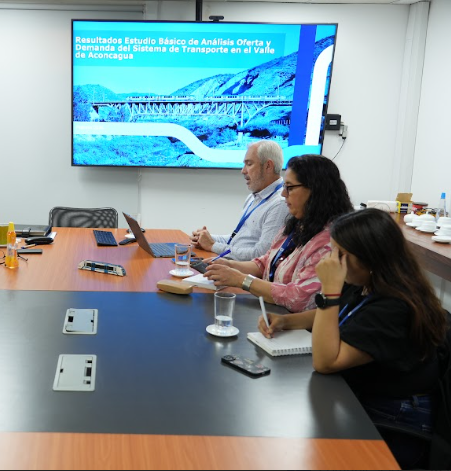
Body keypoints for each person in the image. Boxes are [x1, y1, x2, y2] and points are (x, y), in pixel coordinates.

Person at [258, 209, 449, 469]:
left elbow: (326, 362)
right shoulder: (366, 281)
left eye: (340, 254)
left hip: (392, 418)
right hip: (360, 396)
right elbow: (336, 315)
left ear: (370, 256)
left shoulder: (394, 307)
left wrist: (329, 290)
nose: (332, 261)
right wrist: (286, 321)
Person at [204, 154, 353, 312]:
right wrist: (230, 265)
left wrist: (241, 280)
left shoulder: (328, 241)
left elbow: (298, 298)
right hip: (271, 311)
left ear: (315, 189)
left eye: (290, 188)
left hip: (294, 322)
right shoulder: (297, 223)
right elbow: (266, 262)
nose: (283, 194)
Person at [191, 140, 289, 261]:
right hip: (231, 264)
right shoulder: (254, 196)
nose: (243, 171)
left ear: (268, 166)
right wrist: (206, 238)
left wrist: (212, 245)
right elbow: (237, 240)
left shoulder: (279, 203)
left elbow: (261, 255)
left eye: (249, 164)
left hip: (241, 270)